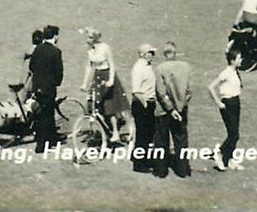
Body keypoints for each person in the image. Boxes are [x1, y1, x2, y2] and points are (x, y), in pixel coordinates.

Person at [79, 28, 130, 142]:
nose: (88, 40)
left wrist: (111, 80)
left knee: (109, 106)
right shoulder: (90, 49)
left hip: (106, 75)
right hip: (97, 77)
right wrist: (84, 83)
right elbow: (89, 66)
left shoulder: (105, 48)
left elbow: (112, 65)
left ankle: (116, 132)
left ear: (96, 38)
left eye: (91, 37)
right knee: (94, 105)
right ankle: (104, 130)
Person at [153, 41, 192, 178]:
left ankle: (161, 170)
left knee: (161, 140)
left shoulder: (160, 68)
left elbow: (161, 92)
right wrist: (180, 107)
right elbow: (188, 91)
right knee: (181, 139)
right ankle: (183, 170)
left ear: (165, 54)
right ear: (175, 53)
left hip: (164, 111)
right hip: (181, 109)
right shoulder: (185, 67)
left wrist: (171, 109)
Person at [208, 49, 245, 172]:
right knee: (234, 134)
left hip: (236, 102)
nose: (241, 60)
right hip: (228, 104)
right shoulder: (227, 72)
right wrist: (218, 102)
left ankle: (228, 160)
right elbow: (211, 87)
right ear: (232, 60)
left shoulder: (235, 72)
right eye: (239, 58)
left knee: (234, 134)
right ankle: (218, 153)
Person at [29, 25, 63, 153]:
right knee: (47, 113)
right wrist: (56, 83)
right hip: (49, 87)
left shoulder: (38, 49)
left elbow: (32, 66)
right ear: (54, 36)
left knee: (42, 113)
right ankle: (42, 144)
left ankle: (51, 138)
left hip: (37, 85)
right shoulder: (55, 52)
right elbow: (58, 72)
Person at [130, 43, 158, 173]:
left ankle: (139, 156)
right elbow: (136, 91)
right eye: (150, 52)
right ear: (143, 54)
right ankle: (140, 164)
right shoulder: (139, 68)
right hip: (142, 104)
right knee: (143, 135)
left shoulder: (147, 66)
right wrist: (146, 105)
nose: (153, 55)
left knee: (147, 133)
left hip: (148, 102)